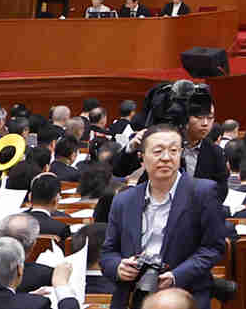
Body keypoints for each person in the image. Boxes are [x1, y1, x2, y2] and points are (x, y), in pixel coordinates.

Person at [93, 127, 231, 309]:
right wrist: (118, 267)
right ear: (142, 157)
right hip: (132, 295)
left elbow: (213, 247)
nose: (166, 158)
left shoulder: (203, 192)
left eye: (173, 150)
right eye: (158, 151)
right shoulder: (124, 200)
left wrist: (176, 276)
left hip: (184, 292)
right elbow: (108, 253)